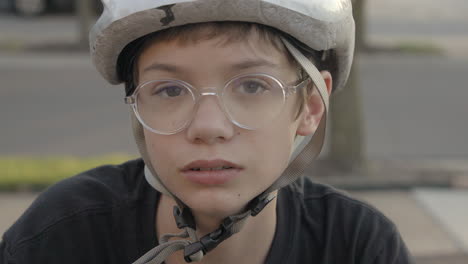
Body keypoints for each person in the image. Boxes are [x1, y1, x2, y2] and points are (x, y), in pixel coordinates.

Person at [1, 0, 413, 263]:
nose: (208, 127)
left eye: (252, 86)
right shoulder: (61, 236)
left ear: (310, 106)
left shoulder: (358, 247)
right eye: (169, 90)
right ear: (136, 105)